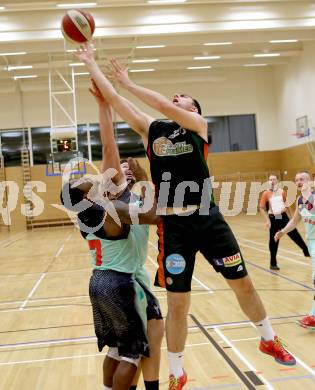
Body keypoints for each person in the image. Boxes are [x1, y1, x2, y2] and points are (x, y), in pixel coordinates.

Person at [74, 44, 296, 390]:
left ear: (194, 109)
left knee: (244, 284)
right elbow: (117, 102)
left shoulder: (196, 127)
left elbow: (158, 103)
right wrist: (92, 65)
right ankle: (177, 372)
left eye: (183, 97)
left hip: (207, 218)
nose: (175, 98)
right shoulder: (153, 130)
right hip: (174, 225)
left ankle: (268, 337)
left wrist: (130, 83)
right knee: (177, 303)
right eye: (174, 96)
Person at [61, 80, 163, 390]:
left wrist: (104, 106)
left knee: (118, 349)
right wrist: (143, 177)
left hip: (101, 279)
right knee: (133, 353)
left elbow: (110, 151)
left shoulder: (94, 213)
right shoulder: (114, 207)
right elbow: (155, 214)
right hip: (122, 282)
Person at [275, 171, 315, 329]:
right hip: (311, 242)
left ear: (310, 180)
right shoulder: (300, 201)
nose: (299, 182)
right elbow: (295, 220)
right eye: (296, 179)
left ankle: (313, 316)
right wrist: (283, 232)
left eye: (303, 179)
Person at [260, 174, 310, 270]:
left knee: (294, 233)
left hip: (283, 217)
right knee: (274, 240)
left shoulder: (282, 192)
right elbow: (261, 208)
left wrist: (291, 217)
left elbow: (286, 205)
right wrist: (267, 220)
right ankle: (273, 263)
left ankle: (305, 250)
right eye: (270, 180)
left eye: (274, 179)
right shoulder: (266, 193)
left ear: (277, 181)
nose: (272, 181)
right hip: (273, 218)